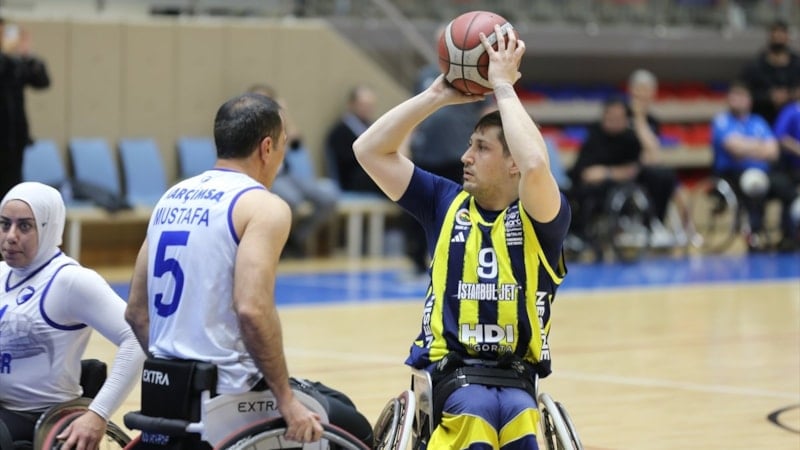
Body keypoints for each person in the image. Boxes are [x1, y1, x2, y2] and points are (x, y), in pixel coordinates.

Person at [353, 25, 569, 449]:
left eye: (482, 148)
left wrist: (503, 87)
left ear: (512, 164)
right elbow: (369, 150)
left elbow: (536, 165)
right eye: (470, 145)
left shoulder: (540, 217)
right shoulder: (443, 201)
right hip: (453, 371)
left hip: (517, 376)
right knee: (475, 417)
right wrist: (436, 95)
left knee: (521, 425)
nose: (465, 157)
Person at [124, 93, 373, 448]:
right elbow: (252, 310)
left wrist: (176, 372)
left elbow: (136, 313)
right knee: (354, 426)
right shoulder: (262, 206)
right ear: (267, 148)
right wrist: (286, 401)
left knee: (330, 398)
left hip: (165, 392)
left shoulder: (170, 198)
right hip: (227, 398)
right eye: (284, 145)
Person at [0, 181, 145, 449]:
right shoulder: (1, 274)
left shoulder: (69, 281)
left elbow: (136, 339)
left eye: (25, 226)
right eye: (4, 224)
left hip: (40, 418)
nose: (10, 236)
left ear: (49, 228)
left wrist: (98, 413)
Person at [569, 96, 678, 250]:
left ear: (625, 118)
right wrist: (593, 175)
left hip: (620, 185)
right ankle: (576, 235)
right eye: (610, 116)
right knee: (575, 194)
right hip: (590, 185)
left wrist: (607, 173)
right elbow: (583, 171)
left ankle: (653, 224)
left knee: (662, 175)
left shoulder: (631, 138)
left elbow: (638, 166)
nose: (613, 120)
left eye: (618, 117)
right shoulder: (595, 134)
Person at [247, 83, 339, 256]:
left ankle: (296, 238)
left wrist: (284, 114)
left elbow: (296, 143)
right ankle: (281, 242)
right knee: (293, 201)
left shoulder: (279, 123)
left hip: (288, 175)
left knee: (328, 197)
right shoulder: (247, 125)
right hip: (266, 176)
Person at [711, 80, 798, 251]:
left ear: (749, 101)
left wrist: (747, 146)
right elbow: (734, 148)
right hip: (733, 173)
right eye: (734, 96)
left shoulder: (758, 121)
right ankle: (754, 234)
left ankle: (789, 236)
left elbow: (773, 151)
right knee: (754, 183)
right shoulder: (722, 121)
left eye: (741, 97)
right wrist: (759, 145)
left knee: (787, 187)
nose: (737, 101)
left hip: (763, 171)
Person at [0, 17, 51, 201]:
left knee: (12, 191)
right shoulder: (5, 60)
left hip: (14, 139)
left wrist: (27, 55)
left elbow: (42, 81)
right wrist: (5, 54)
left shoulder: (14, 62)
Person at [740, 19, 800, 126]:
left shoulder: (797, 65)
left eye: (782, 33)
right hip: (763, 120)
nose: (778, 36)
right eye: (775, 33)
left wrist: (790, 95)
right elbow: (744, 93)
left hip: (794, 122)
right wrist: (769, 97)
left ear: (788, 37)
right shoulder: (755, 66)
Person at [325, 84, 382, 194]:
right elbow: (348, 164)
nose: (367, 109)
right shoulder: (340, 132)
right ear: (351, 104)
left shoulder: (371, 127)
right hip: (353, 181)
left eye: (370, 105)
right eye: (363, 105)